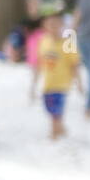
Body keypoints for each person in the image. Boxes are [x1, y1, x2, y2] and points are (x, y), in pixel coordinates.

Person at [29, 12, 82, 140]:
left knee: (56, 110)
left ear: (62, 25)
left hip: (62, 83)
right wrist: (33, 84)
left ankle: (54, 133)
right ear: (44, 25)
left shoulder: (67, 42)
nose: (53, 26)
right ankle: (61, 129)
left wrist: (79, 82)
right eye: (50, 24)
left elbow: (74, 64)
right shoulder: (43, 41)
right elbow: (39, 64)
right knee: (50, 109)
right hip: (48, 83)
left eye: (56, 24)